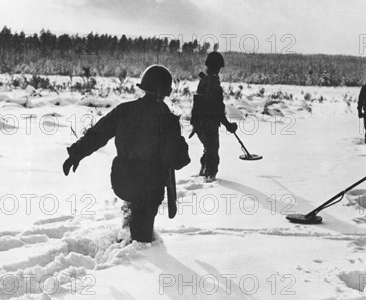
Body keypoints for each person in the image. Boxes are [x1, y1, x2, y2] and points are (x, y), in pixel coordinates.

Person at [62, 65, 190, 243]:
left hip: (123, 181)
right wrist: (179, 143)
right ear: (164, 90)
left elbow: (98, 134)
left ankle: (126, 232)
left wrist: (76, 154)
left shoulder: (124, 110)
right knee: (142, 240)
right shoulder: (166, 118)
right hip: (149, 187)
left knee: (133, 215)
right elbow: (179, 160)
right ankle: (128, 253)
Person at [190, 52, 238, 182]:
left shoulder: (203, 81)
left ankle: (204, 172)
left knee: (209, 148)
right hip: (208, 124)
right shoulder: (213, 84)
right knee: (212, 151)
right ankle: (209, 180)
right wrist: (228, 125)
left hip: (199, 123)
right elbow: (217, 108)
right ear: (218, 67)